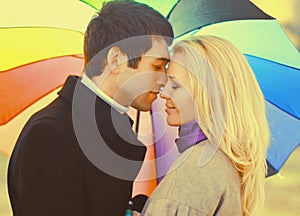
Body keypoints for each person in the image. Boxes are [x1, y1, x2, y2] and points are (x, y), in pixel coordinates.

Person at [8, 1, 173, 215]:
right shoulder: (51, 133)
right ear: (116, 59)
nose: (164, 80)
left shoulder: (112, 129)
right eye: (157, 66)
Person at [141, 35, 270, 216]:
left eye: (176, 85)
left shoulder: (195, 171)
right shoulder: (225, 158)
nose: (164, 93)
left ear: (210, 93)